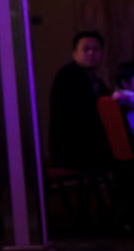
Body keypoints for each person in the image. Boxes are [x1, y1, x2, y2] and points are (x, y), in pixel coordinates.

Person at [47, 30, 111, 169]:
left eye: (96, 50)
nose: (91, 53)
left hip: (86, 143)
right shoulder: (67, 76)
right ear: (74, 54)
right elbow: (83, 114)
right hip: (72, 147)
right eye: (86, 49)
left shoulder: (96, 81)